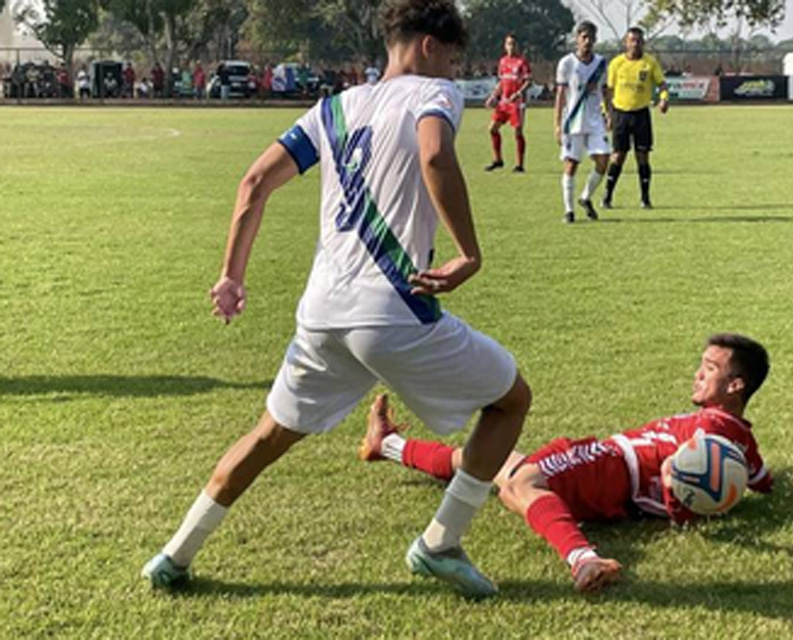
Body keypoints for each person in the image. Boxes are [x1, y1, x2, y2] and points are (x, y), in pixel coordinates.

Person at [141, 0, 531, 600]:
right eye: (452, 60)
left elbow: (254, 183)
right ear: (429, 46)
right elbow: (433, 152)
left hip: (321, 314)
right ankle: (439, 542)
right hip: (393, 312)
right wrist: (469, 252)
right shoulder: (434, 95)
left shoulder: (333, 108)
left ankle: (174, 555)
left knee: (269, 435)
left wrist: (230, 276)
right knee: (510, 401)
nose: (454, 74)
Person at [361, 333, 773, 593]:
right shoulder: (737, 436)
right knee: (489, 462)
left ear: (735, 385)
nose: (697, 374)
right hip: (617, 485)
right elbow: (760, 479)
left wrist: (681, 489)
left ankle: (583, 559)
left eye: (710, 369)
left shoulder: (711, 428)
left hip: (613, 466)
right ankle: (388, 444)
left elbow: (687, 481)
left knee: (520, 483)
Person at [602, 27, 669, 211]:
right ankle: (607, 196)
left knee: (643, 156)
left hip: (641, 114)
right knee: (618, 156)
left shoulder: (650, 63)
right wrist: (606, 114)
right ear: (626, 42)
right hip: (620, 114)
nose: (635, 44)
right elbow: (608, 91)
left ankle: (645, 199)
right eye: (632, 40)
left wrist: (663, 99)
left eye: (639, 40)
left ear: (643, 42)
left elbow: (662, 84)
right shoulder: (617, 63)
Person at [554, 21, 612, 224]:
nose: (587, 41)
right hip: (573, 121)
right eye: (583, 37)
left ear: (595, 39)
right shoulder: (566, 63)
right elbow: (560, 94)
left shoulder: (601, 63)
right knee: (571, 165)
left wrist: (609, 113)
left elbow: (605, 90)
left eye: (591, 37)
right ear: (577, 38)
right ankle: (569, 211)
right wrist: (557, 124)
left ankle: (585, 197)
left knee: (604, 160)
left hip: (595, 120)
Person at [484, 33, 531, 173]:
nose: (511, 46)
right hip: (503, 102)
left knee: (517, 132)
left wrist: (519, 93)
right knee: (492, 129)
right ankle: (498, 160)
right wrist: (493, 96)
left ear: (517, 46)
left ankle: (520, 165)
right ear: (505, 46)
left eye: (513, 44)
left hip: (517, 103)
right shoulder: (503, 62)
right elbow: (502, 82)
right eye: (509, 44)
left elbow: (528, 81)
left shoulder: (522, 62)